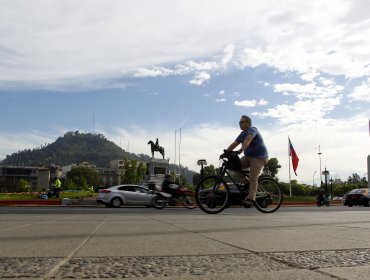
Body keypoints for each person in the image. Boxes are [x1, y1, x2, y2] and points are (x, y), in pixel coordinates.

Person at [226, 115, 268, 208]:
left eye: (241, 122)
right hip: (248, 157)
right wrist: (226, 152)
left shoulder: (252, 130)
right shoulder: (242, 133)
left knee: (253, 177)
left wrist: (241, 149)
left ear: (248, 123)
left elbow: (248, 140)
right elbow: (234, 143)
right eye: (239, 122)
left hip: (259, 157)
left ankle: (251, 199)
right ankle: (247, 183)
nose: (239, 124)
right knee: (234, 166)